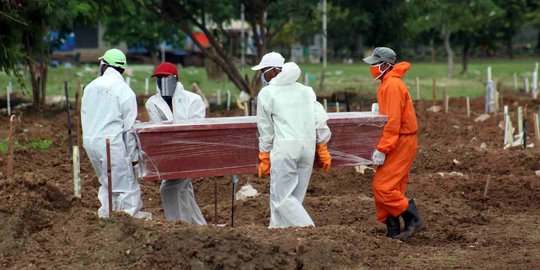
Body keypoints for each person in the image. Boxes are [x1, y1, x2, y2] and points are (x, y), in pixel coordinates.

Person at [254, 52, 332, 228]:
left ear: (274, 71)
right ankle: (278, 234)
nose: (262, 76)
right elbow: (320, 118)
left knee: (281, 199)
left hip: (285, 150)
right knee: (293, 200)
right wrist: (322, 146)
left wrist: (264, 154)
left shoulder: (267, 93)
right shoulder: (305, 90)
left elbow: (265, 128)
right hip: (307, 150)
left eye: (264, 71)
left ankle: (310, 231)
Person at [81, 48, 150, 218]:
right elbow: (128, 129)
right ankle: (130, 223)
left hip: (91, 142)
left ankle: (106, 217)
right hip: (112, 144)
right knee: (126, 187)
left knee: (106, 182)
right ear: (122, 69)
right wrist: (134, 158)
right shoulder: (125, 91)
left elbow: (85, 114)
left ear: (104, 65)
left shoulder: (90, 87)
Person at [363, 47, 423, 239]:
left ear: (386, 65)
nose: (371, 67)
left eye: (375, 63)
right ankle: (393, 229)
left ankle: (413, 219)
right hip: (400, 139)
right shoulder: (388, 83)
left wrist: (383, 148)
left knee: (384, 187)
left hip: (401, 141)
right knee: (390, 187)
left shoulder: (392, 86)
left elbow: (393, 121)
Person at [145, 62, 207, 224]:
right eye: (159, 79)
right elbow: (157, 130)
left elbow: (196, 128)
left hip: (190, 153)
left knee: (169, 188)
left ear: (175, 79)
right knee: (184, 191)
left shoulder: (193, 99)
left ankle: (178, 225)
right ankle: (198, 227)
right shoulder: (153, 102)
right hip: (170, 155)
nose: (162, 82)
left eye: (165, 78)